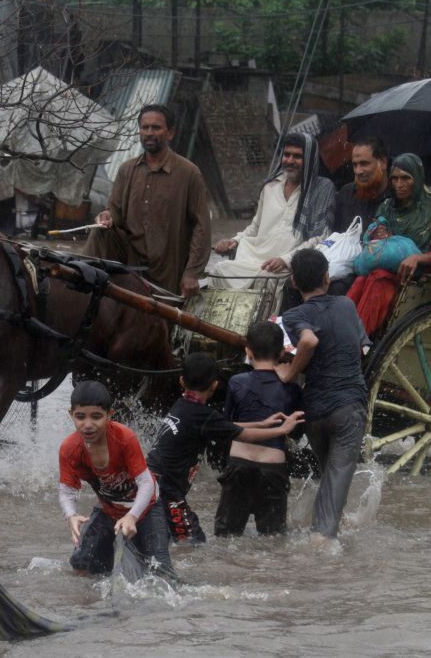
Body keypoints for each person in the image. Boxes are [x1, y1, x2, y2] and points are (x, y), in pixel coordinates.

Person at [147, 352, 303, 543]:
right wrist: (282, 430)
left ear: (181, 381)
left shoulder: (183, 406)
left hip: (151, 481)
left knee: (168, 537)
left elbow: (228, 427)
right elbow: (244, 435)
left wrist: (263, 423)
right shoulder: (203, 415)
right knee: (192, 542)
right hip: (165, 490)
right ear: (214, 385)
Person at [279, 249, 369, 540]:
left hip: (314, 413)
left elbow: (306, 339)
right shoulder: (346, 305)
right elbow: (317, 341)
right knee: (335, 480)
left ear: (293, 281)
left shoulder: (293, 315)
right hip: (348, 409)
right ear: (327, 278)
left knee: (330, 478)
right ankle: (321, 548)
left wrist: (290, 373)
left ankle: (328, 531)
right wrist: (292, 373)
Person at [84, 104, 211, 297]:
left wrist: (192, 273)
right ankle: (83, 284)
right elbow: (115, 211)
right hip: (130, 260)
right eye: (145, 128)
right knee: (99, 232)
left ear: (170, 133)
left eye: (156, 127)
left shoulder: (188, 173)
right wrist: (107, 215)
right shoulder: (127, 169)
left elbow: (202, 227)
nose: (149, 133)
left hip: (167, 268)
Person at [58, 380, 173, 575]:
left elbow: (146, 483)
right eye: (80, 417)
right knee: (83, 564)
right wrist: (71, 515)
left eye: (96, 417)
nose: (88, 425)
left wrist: (132, 516)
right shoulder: (70, 449)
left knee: (160, 572)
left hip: (146, 507)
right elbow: (67, 490)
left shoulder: (124, 438)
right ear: (71, 414)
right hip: (108, 508)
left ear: (109, 415)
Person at [210, 133, 336, 289]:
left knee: (267, 280)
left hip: (289, 264)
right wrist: (234, 241)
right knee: (218, 271)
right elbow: (255, 227)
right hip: (253, 257)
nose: (289, 161)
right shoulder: (270, 186)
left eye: (297, 156)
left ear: (310, 159)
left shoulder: (321, 189)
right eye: (286, 155)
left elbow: (321, 236)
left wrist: (286, 259)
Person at [346, 153, 431, 336]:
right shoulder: (387, 206)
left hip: (418, 279)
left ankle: (356, 340)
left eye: (405, 178)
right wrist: (376, 232)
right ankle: (343, 333)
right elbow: (372, 238)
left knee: (378, 280)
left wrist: (418, 257)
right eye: (394, 179)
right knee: (362, 280)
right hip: (382, 271)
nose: (399, 184)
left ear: (417, 179)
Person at [214, 322, 303, 537]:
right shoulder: (292, 388)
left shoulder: (236, 382)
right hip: (273, 469)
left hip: (238, 466)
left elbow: (229, 425)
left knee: (226, 537)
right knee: (273, 540)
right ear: (282, 353)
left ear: (248, 352)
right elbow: (296, 433)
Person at [333, 136, 390, 234]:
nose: (358, 171)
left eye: (364, 164)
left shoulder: (398, 198)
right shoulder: (346, 195)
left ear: (383, 163)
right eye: (355, 165)